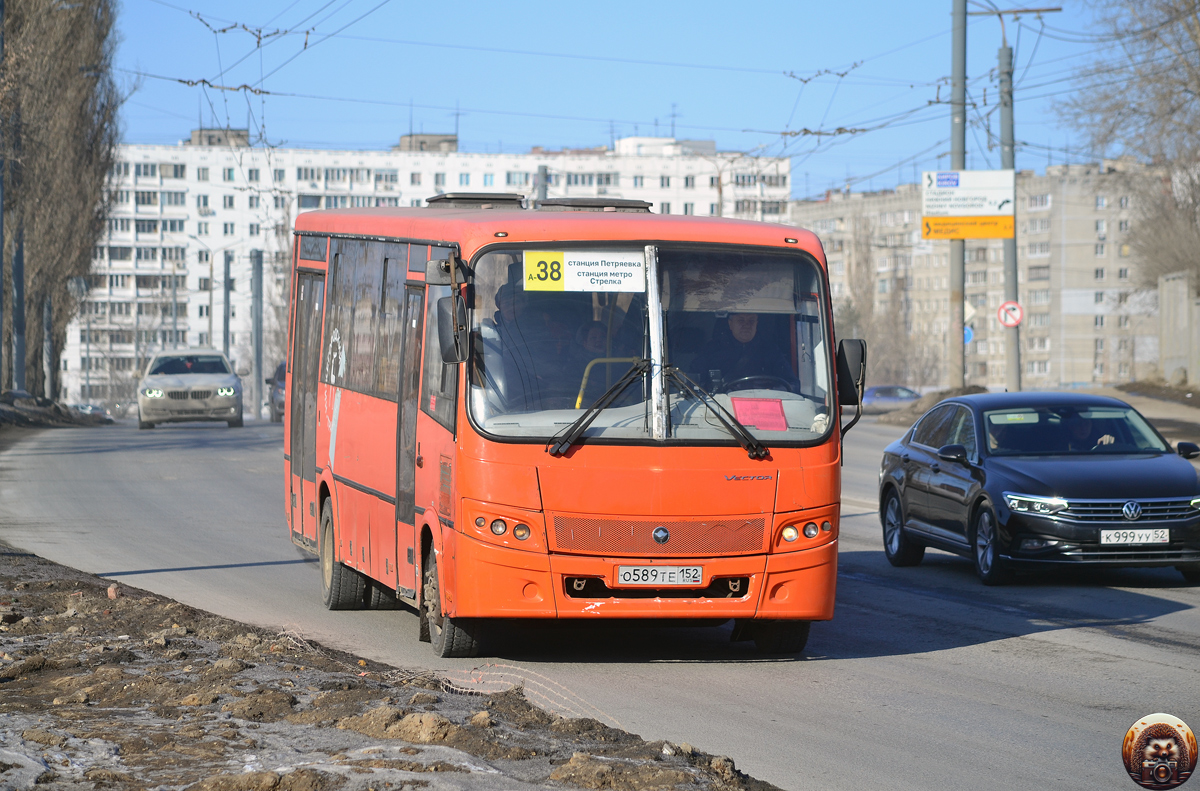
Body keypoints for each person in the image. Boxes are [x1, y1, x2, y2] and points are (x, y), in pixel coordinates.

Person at [700, 312, 796, 391]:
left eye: (751, 320)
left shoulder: (771, 351)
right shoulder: (712, 349)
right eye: (741, 320)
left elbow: (793, 384)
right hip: (723, 406)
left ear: (756, 324)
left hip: (763, 405)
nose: (746, 325)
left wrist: (772, 392)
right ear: (730, 324)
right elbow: (694, 381)